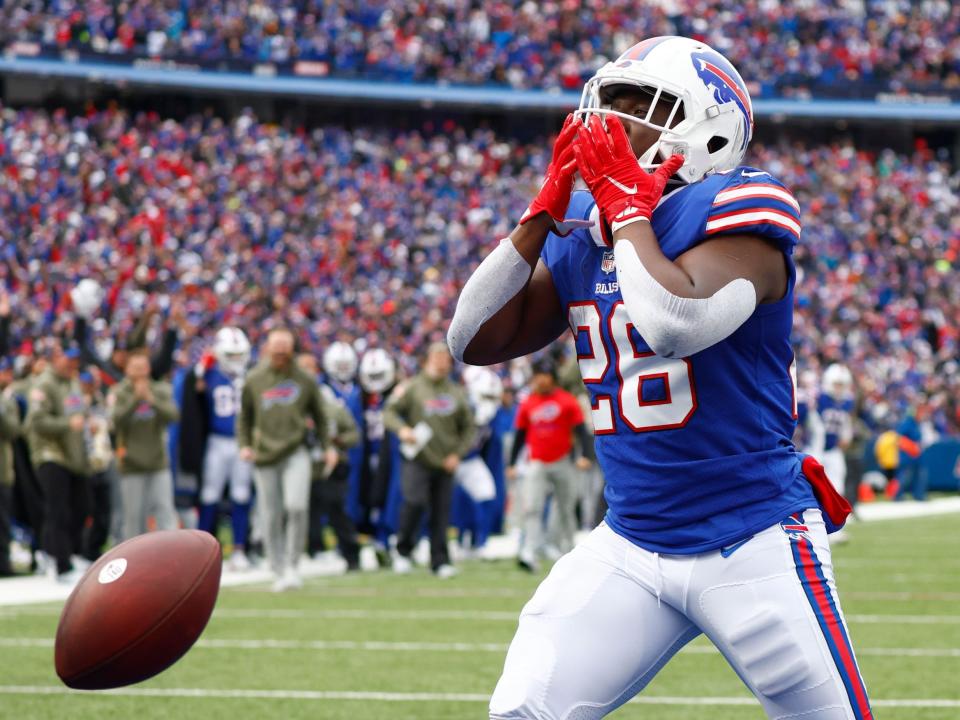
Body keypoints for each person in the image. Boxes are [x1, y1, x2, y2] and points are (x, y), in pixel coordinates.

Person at [448, 36, 870, 719]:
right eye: (608, 101)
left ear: (707, 129)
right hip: (632, 542)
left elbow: (676, 320)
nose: (611, 121)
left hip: (752, 537)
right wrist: (540, 215)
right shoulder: (589, 231)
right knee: (522, 710)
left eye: (642, 104)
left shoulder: (743, 205)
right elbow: (472, 339)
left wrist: (626, 211)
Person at [237, 328, 335, 592]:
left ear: (292, 350)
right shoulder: (254, 378)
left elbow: (321, 415)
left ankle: (292, 565)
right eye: (276, 349)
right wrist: (244, 445)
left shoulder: (304, 378)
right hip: (264, 454)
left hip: (295, 450)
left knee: (296, 506)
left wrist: (328, 447)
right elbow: (244, 416)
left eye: (285, 349)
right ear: (268, 349)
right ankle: (278, 566)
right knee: (271, 513)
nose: (280, 354)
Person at [383, 341, 475, 578]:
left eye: (445, 358)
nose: (441, 362)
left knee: (441, 512)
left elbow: (469, 428)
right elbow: (389, 412)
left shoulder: (456, 392)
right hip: (418, 458)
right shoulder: (412, 387)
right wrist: (402, 429)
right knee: (414, 501)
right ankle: (402, 551)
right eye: (437, 358)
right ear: (427, 360)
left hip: (446, 461)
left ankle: (439, 560)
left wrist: (458, 454)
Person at [506, 360, 593, 571]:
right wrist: (511, 463)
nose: (540, 380)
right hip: (537, 461)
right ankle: (530, 551)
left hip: (563, 460)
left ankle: (569, 550)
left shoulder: (567, 401)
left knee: (566, 507)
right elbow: (520, 435)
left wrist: (586, 456)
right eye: (537, 375)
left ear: (552, 377)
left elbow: (581, 431)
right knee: (532, 508)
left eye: (544, 375)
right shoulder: (528, 403)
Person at [182, 327, 255, 570]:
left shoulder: (251, 374)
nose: (236, 360)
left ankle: (240, 549)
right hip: (216, 440)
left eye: (239, 355)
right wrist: (203, 365)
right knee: (209, 495)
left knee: (241, 494)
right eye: (230, 355)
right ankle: (201, 552)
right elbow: (194, 387)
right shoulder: (209, 373)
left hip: (242, 442)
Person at [25, 345, 90, 583]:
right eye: (67, 358)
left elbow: (78, 415)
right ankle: (60, 563)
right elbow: (36, 421)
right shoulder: (43, 384)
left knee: (82, 507)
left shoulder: (72, 383)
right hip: (50, 454)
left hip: (72, 457)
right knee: (58, 509)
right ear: (55, 359)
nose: (72, 364)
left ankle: (63, 554)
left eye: (74, 359)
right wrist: (66, 424)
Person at [297, 352, 362, 571]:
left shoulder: (330, 403)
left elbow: (354, 434)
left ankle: (351, 553)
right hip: (301, 464)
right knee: (303, 511)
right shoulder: (291, 403)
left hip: (330, 466)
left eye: (310, 368)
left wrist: (336, 441)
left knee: (336, 509)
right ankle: (314, 550)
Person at [108, 349, 180, 540]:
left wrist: (151, 400)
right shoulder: (119, 392)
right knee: (133, 517)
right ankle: (133, 562)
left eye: (143, 368)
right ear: (127, 370)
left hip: (158, 461)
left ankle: (171, 555)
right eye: (135, 368)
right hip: (131, 463)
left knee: (164, 510)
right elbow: (115, 421)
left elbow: (173, 415)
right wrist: (135, 401)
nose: (140, 373)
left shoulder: (160, 389)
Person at [0, 358, 22, 576]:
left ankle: (4, 564)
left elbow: (14, 430)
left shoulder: (7, 402)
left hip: (3, 471)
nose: (6, 377)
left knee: (3, 521)